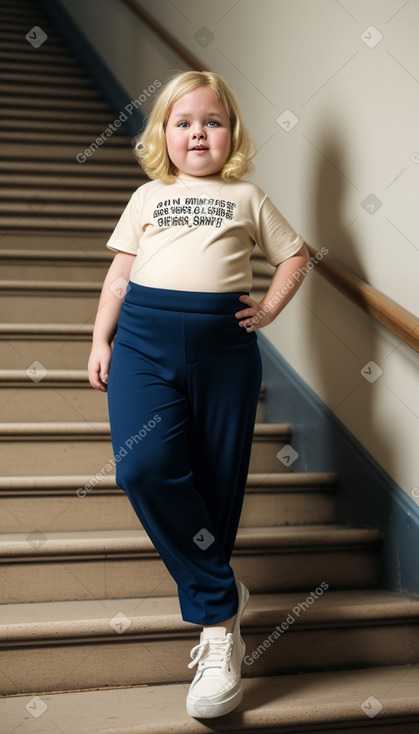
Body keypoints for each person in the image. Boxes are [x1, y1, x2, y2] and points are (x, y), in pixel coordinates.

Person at [88, 70, 309, 719]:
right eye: (183, 122)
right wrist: (99, 341)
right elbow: (119, 275)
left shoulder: (247, 195)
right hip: (143, 342)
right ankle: (219, 596)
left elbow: (294, 255)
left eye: (211, 121)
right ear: (163, 134)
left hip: (223, 350)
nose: (197, 133)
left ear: (230, 134)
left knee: (214, 483)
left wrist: (268, 307)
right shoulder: (148, 195)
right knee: (143, 466)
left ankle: (219, 637)